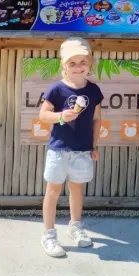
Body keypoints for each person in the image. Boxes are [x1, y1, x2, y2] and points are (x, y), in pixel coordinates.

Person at [38, 37, 104, 258]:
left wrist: (93, 145)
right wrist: (59, 116)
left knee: (77, 189)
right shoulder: (57, 89)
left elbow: (97, 119)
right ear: (64, 65)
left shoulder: (93, 90)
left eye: (83, 62)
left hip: (82, 150)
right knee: (53, 191)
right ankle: (49, 235)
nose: (78, 67)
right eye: (72, 63)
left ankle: (75, 226)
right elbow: (43, 115)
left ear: (90, 63)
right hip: (58, 149)